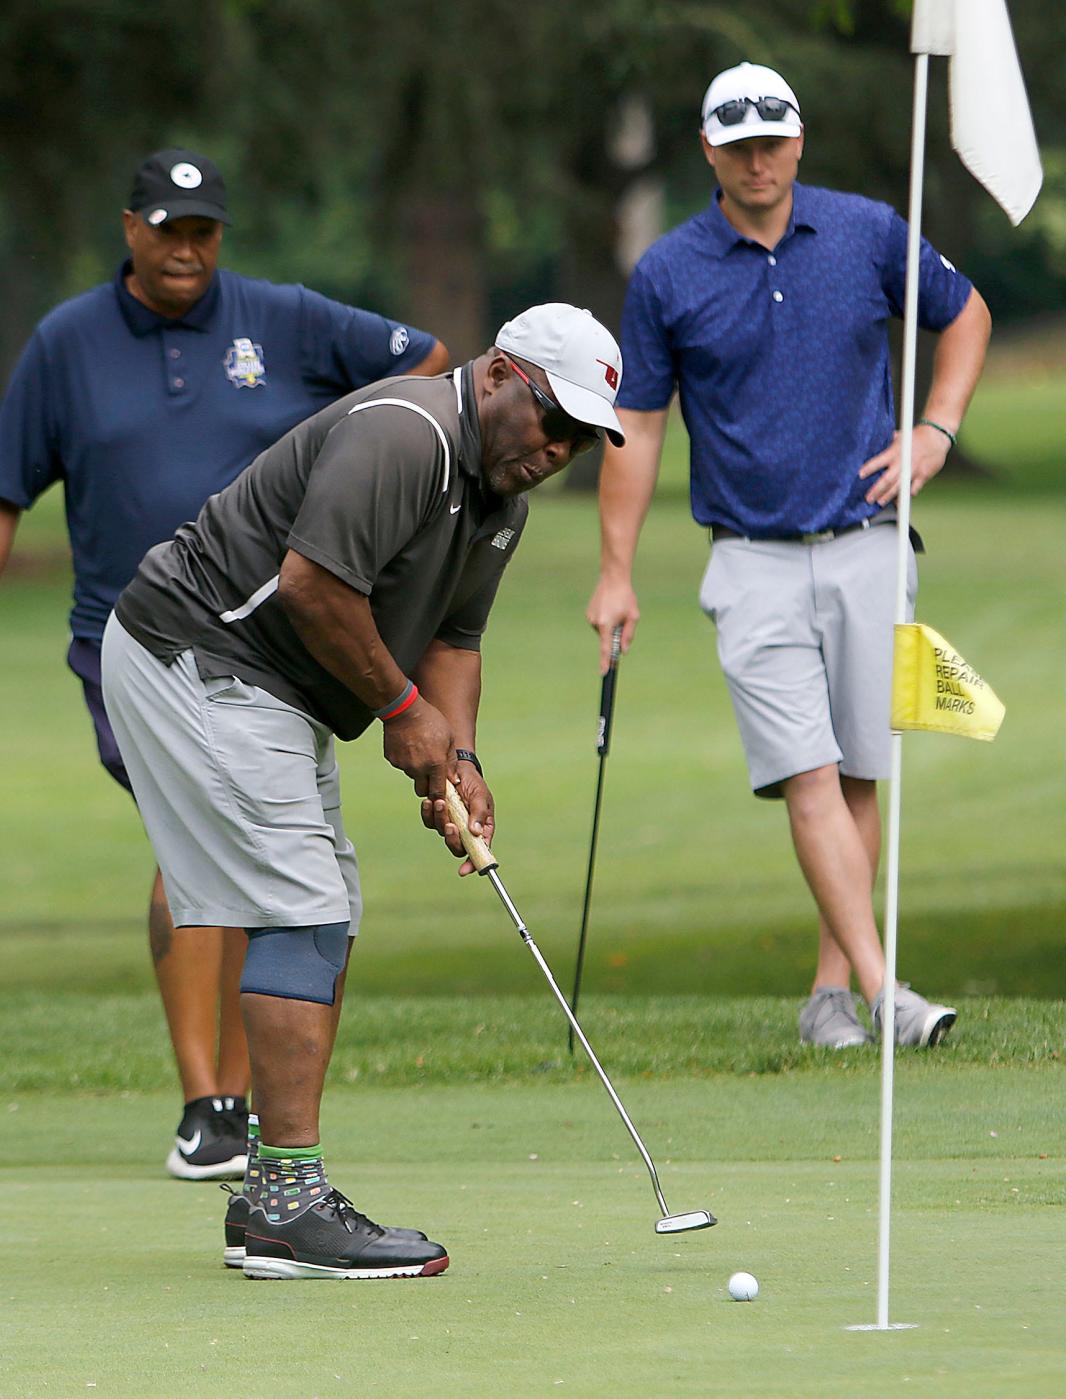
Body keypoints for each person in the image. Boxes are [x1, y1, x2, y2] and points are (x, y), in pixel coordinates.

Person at [0, 148, 450, 1179]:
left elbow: (425, 365)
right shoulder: (66, 344)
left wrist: (348, 481)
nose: (187, 249)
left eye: (204, 231)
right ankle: (210, 1099)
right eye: (168, 229)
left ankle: (238, 1107)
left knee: (245, 847)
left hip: (281, 643)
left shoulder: (285, 318)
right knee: (209, 837)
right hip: (134, 640)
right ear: (129, 228)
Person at [101, 302, 623, 1278]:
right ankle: (291, 1207)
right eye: (553, 420)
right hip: (197, 647)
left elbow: (454, 639)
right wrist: (404, 713)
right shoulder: (407, 433)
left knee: (325, 907)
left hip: (266, 682)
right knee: (300, 903)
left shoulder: (498, 502)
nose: (558, 450)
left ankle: (271, 1200)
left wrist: (456, 758)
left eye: (581, 441)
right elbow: (311, 587)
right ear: (502, 375)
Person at [587, 63, 992, 1049]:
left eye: (772, 139)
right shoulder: (669, 272)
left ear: (798, 141)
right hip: (751, 560)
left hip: (869, 541)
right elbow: (637, 426)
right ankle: (888, 991)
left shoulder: (866, 231)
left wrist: (937, 429)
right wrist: (615, 569)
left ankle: (829, 997)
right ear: (708, 149)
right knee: (808, 774)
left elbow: (966, 313)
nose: (757, 158)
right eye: (738, 142)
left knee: (857, 775)